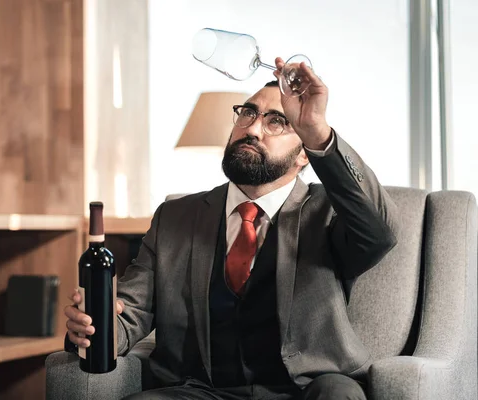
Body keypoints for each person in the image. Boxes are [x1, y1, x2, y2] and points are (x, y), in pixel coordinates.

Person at [64, 56, 399, 399]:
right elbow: (129, 313)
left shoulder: (329, 212)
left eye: (276, 122)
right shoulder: (175, 217)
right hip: (204, 390)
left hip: (307, 389)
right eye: (248, 113)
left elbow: (381, 231)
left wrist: (317, 131)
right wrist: (94, 327)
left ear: (303, 156)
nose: (252, 128)